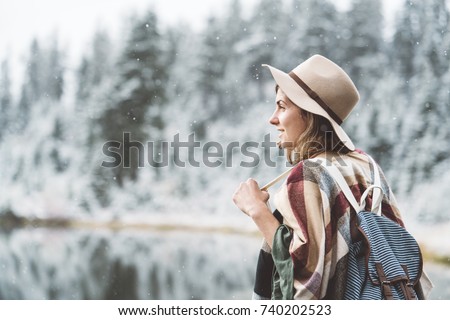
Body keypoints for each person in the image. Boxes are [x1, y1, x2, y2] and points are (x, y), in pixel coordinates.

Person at [232, 54, 433, 299]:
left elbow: (304, 283)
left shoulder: (308, 174)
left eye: (282, 106)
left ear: (309, 115)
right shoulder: (367, 164)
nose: (272, 118)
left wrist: (258, 212)